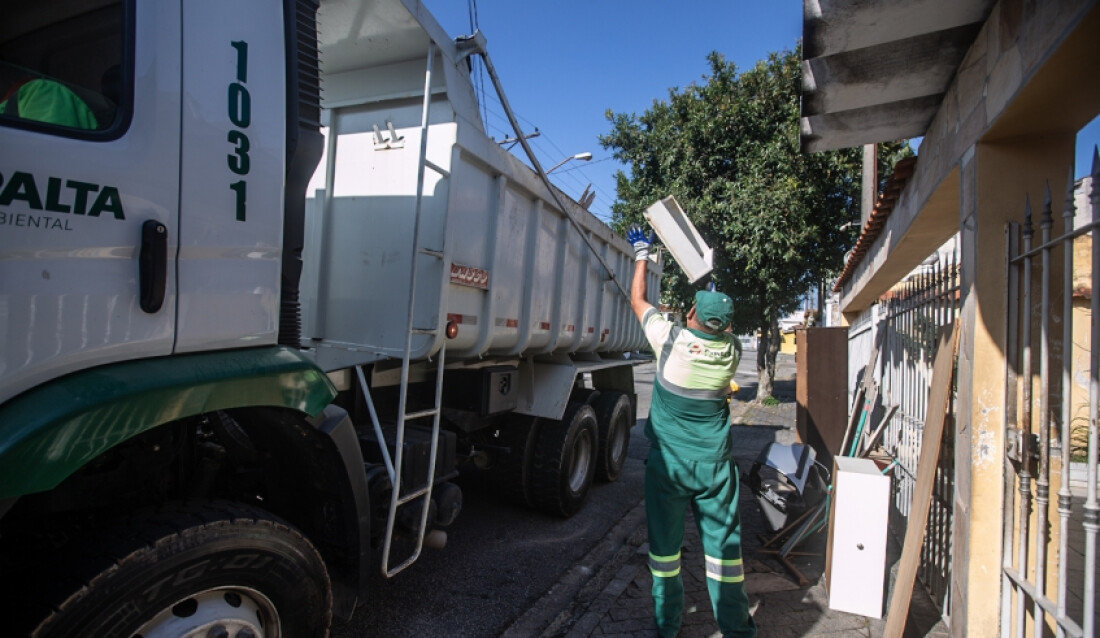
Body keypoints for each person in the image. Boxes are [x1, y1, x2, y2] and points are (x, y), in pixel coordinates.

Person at [626, 224, 756, 638]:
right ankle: (737, 630)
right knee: (725, 556)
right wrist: (713, 305)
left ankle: (668, 626)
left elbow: (638, 299)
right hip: (716, 471)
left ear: (690, 316)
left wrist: (641, 253)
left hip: (670, 469)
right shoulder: (732, 351)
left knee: (665, 554)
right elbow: (719, 330)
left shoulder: (669, 341)